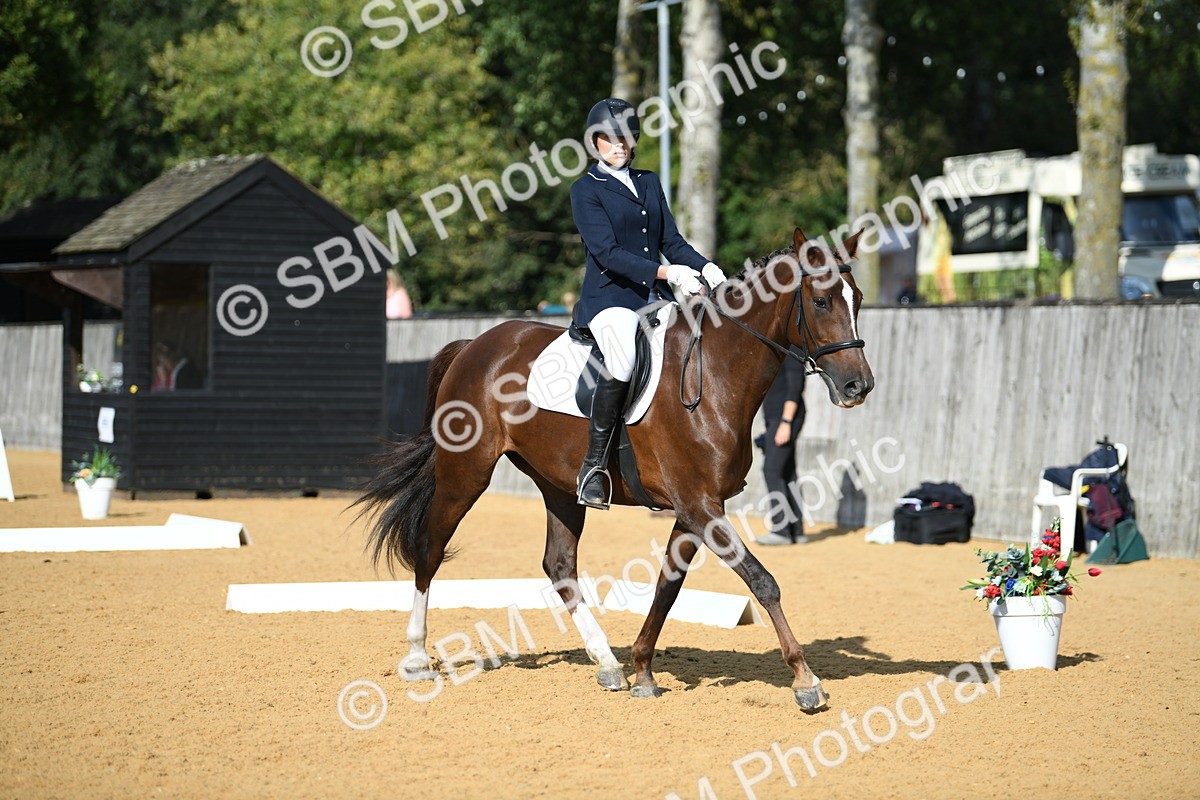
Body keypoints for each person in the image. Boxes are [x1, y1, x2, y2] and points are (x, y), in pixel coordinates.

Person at [570, 97, 728, 509]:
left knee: (692, 341)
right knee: (622, 359)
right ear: (595, 142)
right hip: (609, 299)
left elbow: (670, 242)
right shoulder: (586, 190)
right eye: (609, 138)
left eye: (626, 137)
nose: (619, 145)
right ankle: (594, 466)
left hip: (652, 298)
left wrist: (705, 266)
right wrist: (667, 273)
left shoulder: (649, 181)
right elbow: (606, 253)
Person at [755, 351, 807, 545]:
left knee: (772, 471)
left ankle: (781, 531)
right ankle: (796, 531)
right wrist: (768, 424)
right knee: (787, 472)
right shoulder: (779, 350)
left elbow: (795, 388)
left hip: (786, 418)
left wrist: (786, 422)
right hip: (775, 419)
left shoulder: (793, 351)